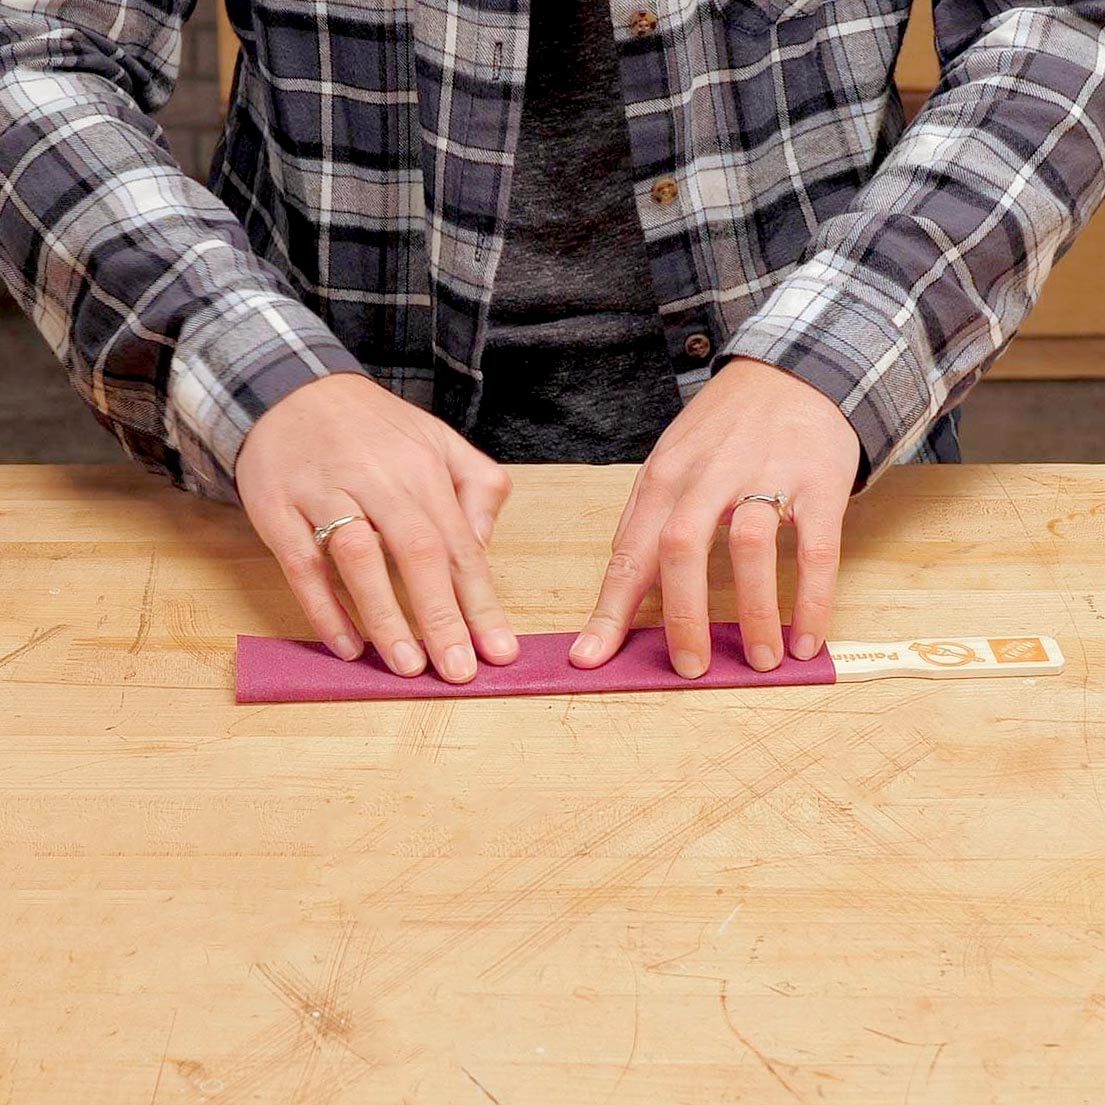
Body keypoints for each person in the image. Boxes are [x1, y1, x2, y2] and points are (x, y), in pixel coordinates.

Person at [1, 0, 1102, 686]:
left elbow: (1060, 28)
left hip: (824, 461)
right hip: (334, 490)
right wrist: (252, 367)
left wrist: (842, 347)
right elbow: (32, 56)